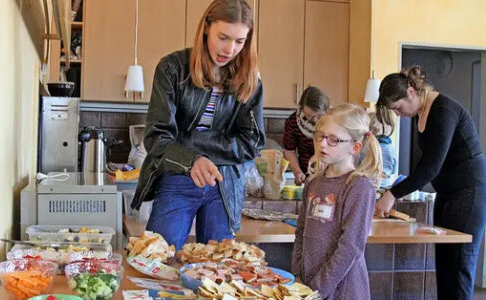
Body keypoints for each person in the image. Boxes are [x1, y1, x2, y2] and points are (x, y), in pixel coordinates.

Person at [130, 0, 265, 251]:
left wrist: (190, 146)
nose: (230, 49)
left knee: (217, 270)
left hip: (224, 186)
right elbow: (156, 137)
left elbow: (253, 142)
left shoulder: (251, 79)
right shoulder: (172, 68)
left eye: (239, 41)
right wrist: (191, 160)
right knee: (158, 260)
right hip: (177, 178)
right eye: (223, 37)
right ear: (206, 28)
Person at [375, 66, 486, 300]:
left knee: (458, 266)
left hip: (469, 191)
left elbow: (431, 167)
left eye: (398, 108)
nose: (398, 114)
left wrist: (392, 193)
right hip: (448, 191)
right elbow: (424, 164)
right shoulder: (422, 114)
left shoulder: (443, 110)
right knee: (445, 265)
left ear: (412, 92)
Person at [292, 104, 382, 300]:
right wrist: (297, 276)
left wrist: (317, 289)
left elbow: (351, 246)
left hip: (343, 292)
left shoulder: (359, 187)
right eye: (320, 136)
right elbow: (301, 232)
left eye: (333, 140)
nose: (323, 144)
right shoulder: (313, 183)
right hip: (308, 289)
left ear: (355, 146)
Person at [282, 87, 330, 185]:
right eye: (309, 115)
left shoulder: (333, 122)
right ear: (302, 108)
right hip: (306, 175)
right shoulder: (293, 122)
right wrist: (297, 172)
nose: (315, 120)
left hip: (329, 174)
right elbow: (289, 151)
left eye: (319, 116)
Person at [368, 111, 397, 187]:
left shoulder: (366, 147)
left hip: (369, 184)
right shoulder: (391, 148)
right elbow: (394, 170)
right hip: (385, 185)